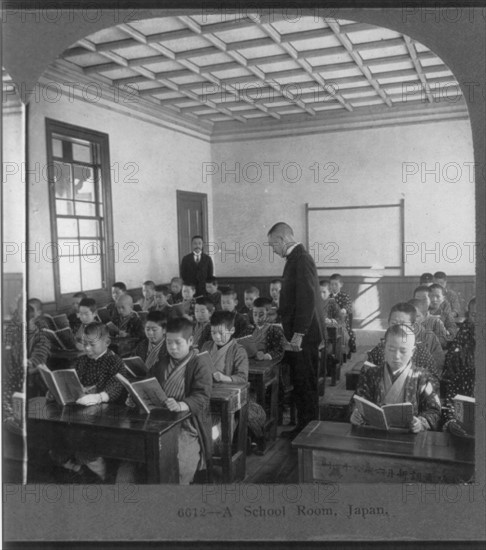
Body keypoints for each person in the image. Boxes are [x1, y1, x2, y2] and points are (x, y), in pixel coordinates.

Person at [119, 317, 212, 484]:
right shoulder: (162, 363)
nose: (173, 348)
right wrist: (134, 396)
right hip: (158, 420)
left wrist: (182, 404)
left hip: (187, 423)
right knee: (131, 465)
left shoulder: (200, 363)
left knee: (179, 468)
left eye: (178, 343)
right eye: (169, 343)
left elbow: (202, 396)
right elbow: (148, 385)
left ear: (190, 341)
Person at [267, 222, 325, 439]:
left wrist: (299, 333)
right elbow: (293, 296)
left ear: (282, 239)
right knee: (300, 382)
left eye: (273, 245)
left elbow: (307, 299)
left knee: (306, 383)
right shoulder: (295, 258)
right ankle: (304, 427)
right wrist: (279, 313)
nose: (273, 249)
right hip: (299, 333)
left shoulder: (301, 259)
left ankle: (309, 431)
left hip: (305, 335)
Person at [48, 323, 127, 481]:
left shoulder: (115, 362)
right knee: (56, 437)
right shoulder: (82, 361)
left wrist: (98, 396)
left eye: (91, 344)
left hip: (109, 417)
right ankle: (78, 468)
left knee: (85, 443)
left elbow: (116, 387)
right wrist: (56, 390)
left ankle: (101, 476)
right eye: (84, 344)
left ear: (107, 342)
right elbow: (73, 382)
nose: (87, 349)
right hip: (83, 414)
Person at [351, 324, 441, 432]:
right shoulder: (370, 374)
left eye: (403, 351)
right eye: (391, 349)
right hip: (374, 434)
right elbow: (359, 400)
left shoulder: (424, 378)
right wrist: (356, 414)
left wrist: (421, 422)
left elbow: (434, 410)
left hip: (410, 437)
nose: (396, 356)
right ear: (384, 347)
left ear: (412, 352)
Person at [367, 302, 440, 388]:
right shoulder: (379, 350)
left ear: (413, 327)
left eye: (403, 324)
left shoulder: (422, 352)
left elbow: (433, 380)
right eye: (394, 323)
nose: (398, 328)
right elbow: (367, 378)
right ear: (388, 323)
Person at [329, 274, 356, 356]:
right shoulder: (328, 296)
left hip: (342, 321)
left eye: (336, 284)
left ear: (341, 285)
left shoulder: (344, 296)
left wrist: (344, 309)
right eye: (332, 284)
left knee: (348, 333)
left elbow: (348, 305)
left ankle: (349, 348)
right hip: (330, 321)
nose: (333, 287)